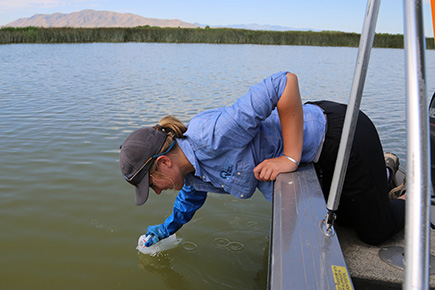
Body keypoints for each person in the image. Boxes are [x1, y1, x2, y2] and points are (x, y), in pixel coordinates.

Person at [119, 71, 405, 246]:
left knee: (375, 232)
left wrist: (290, 158)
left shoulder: (211, 135)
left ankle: (410, 196)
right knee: (341, 220)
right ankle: (384, 172)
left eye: (152, 183)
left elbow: (285, 83)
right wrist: (165, 230)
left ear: (164, 162)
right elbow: (187, 203)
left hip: (342, 138)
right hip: (319, 157)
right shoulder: (193, 174)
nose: (157, 190)